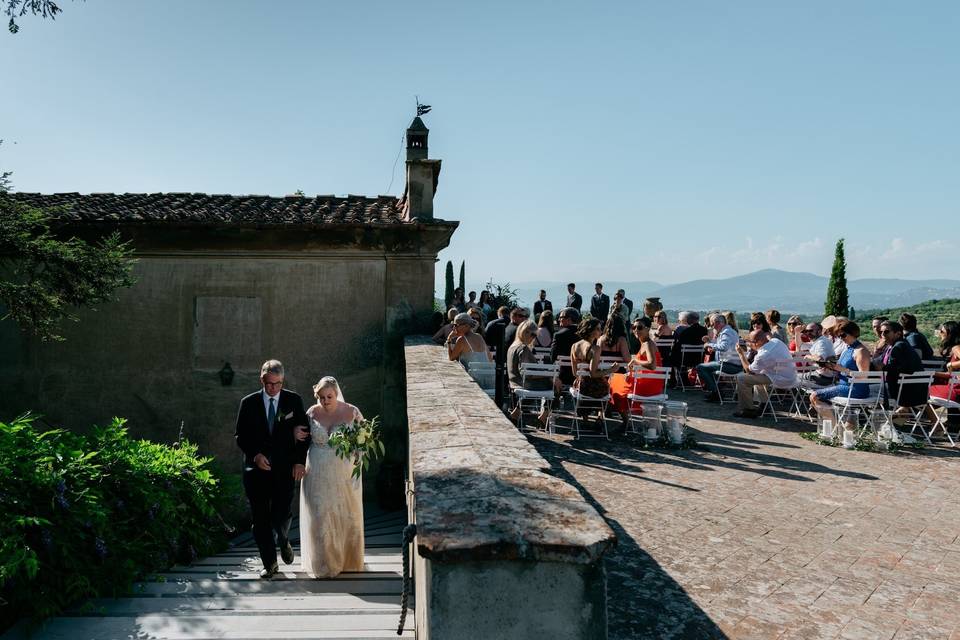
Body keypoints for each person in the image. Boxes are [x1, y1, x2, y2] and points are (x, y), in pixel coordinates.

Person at [234, 360, 309, 578]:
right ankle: (270, 564)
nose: (272, 388)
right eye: (268, 384)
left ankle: (284, 539)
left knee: (280, 515)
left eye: (276, 384)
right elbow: (240, 435)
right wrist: (255, 455)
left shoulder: (293, 400)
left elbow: (304, 433)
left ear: (282, 381)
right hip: (255, 471)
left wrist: (299, 461)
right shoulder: (248, 403)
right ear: (262, 380)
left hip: (284, 469)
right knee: (260, 519)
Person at [294, 377, 364, 578]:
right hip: (316, 470)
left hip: (344, 471)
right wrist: (293, 432)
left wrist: (358, 452)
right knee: (320, 514)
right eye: (321, 397)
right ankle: (325, 564)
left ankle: (348, 561)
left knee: (344, 512)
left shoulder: (352, 411)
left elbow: (365, 438)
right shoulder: (311, 413)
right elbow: (302, 440)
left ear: (336, 393)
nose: (325, 401)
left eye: (329, 397)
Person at [810, 320, 872, 423]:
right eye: (839, 336)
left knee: (815, 396)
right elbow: (842, 368)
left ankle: (833, 425)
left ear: (853, 333)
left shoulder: (861, 351)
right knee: (814, 396)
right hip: (844, 385)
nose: (841, 339)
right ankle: (836, 424)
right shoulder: (848, 348)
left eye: (843, 335)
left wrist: (843, 370)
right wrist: (831, 366)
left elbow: (864, 377)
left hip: (856, 389)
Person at [608, 317, 663, 428]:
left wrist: (635, 360)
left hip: (647, 386)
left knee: (613, 384)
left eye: (639, 327)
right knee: (615, 380)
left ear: (648, 329)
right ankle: (623, 419)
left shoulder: (647, 344)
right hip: (650, 383)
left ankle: (625, 421)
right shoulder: (645, 343)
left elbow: (652, 365)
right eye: (633, 327)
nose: (636, 330)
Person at [732, 330, 797, 419]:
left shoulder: (763, 354)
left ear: (757, 342)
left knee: (741, 378)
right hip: (792, 377)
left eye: (750, 342)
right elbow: (768, 338)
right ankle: (764, 405)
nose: (749, 344)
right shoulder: (777, 342)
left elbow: (749, 370)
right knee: (758, 375)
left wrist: (741, 354)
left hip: (780, 380)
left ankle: (748, 410)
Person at [507, 320, 554, 425]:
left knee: (551, 383)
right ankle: (543, 417)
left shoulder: (513, 346)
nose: (533, 338)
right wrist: (549, 376)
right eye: (533, 334)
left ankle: (516, 413)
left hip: (514, 382)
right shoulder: (523, 348)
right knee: (556, 387)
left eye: (535, 335)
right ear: (524, 332)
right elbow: (527, 374)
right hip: (524, 383)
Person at [875, 321, 924, 411]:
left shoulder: (898, 347)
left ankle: (875, 417)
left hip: (902, 391)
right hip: (917, 391)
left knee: (865, 389)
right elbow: (878, 361)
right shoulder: (897, 345)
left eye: (886, 332)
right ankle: (895, 418)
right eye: (881, 332)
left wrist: (883, 367)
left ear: (898, 334)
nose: (882, 335)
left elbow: (901, 369)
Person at [696, 314, 743, 402]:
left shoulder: (726, 332)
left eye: (712, 324)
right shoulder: (731, 331)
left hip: (729, 365)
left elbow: (723, 347)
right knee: (708, 368)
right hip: (736, 364)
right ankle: (716, 392)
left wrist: (708, 344)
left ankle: (716, 392)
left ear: (718, 323)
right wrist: (710, 341)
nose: (712, 326)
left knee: (700, 368)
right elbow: (724, 345)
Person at [571, 318, 609, 400]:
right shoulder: (595, 349)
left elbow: (574, 372)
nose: (601, 331)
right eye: (598, 329)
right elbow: (593, 374)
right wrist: (612, 369)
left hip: (579, 386)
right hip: (594, 388)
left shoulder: (574, 346)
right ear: (591, 331)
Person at [797, 322, 838, 386]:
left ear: (819, 331)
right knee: (795, 376)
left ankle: (809, 394)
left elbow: (820, 358)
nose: (808, 333)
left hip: (823, 378)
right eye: (806, 331)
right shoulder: (817, 341)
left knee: (793, 377)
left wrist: (808, 356)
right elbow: (800, 346)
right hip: (824, 376)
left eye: (811, 331)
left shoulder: (821, 343)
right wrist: (797, 333)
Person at [930, 321, 960, 403]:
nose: (940, 333)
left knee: (922, 393)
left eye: (942, 331)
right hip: (955, 388)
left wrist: (951, 364)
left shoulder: (956, 347)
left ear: (950, 334)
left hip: (955, 390)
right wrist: (934, 373)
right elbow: (952, 375)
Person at [551, 307, 581, 386]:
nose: (559, 319)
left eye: (561, 317)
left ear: (569, 319)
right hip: (581, 374)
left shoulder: (558, 335)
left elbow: (552, 356)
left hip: (563, 375)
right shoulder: (584, 334)